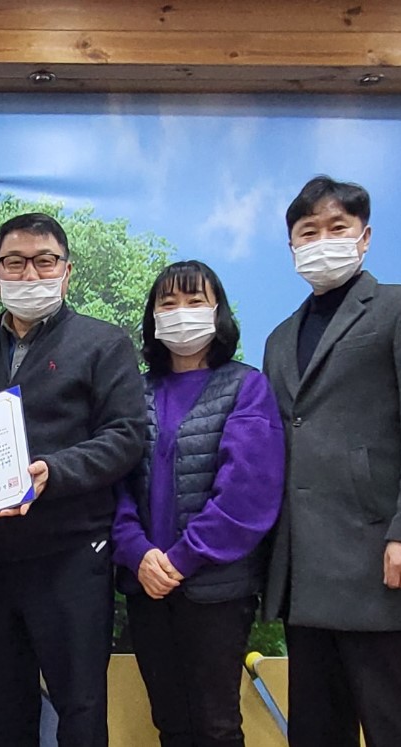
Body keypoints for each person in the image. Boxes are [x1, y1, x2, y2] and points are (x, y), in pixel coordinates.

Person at [262, 176, 401, 747]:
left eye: (336, 228)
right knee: (317, 726)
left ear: (364, 236)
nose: (322, 240)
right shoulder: (279, 338)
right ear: (293, 245)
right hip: (303, 565)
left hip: (378, 554)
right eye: (308, 231)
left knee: (392, 720)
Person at [0, 212, 146, 747]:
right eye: (15, 261)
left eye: (44, 261)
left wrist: (53, 473)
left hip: (71, 556)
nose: (29, 274)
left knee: (80, 711)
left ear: (67, 270)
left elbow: (127, 436)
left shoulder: (103, 344)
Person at [112, 260, 285, 747]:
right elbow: (116, 484)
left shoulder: (246, 386)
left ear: (218, 313)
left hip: (216, 589)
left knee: (217, 726)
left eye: (195, 301)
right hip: (145, 586)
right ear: (153, 317)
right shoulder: (134, 391)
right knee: (170, 723)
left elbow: (248, 493)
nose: (181, 313)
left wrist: (180, 559)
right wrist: (138, 553)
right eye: (168, 303)